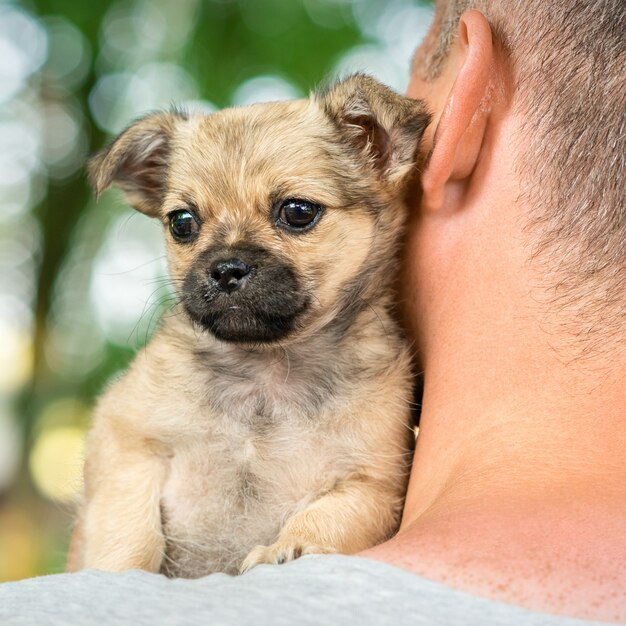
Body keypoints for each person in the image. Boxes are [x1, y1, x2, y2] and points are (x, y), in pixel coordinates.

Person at [1, 1, 623, 624]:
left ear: (379, 151)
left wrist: (318, 536)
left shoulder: (384, 391)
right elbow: (128, 440)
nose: (225, 262)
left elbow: (367, 488)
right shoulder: (166, 371)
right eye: (186, 225)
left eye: (295, 214)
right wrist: (115, 580)